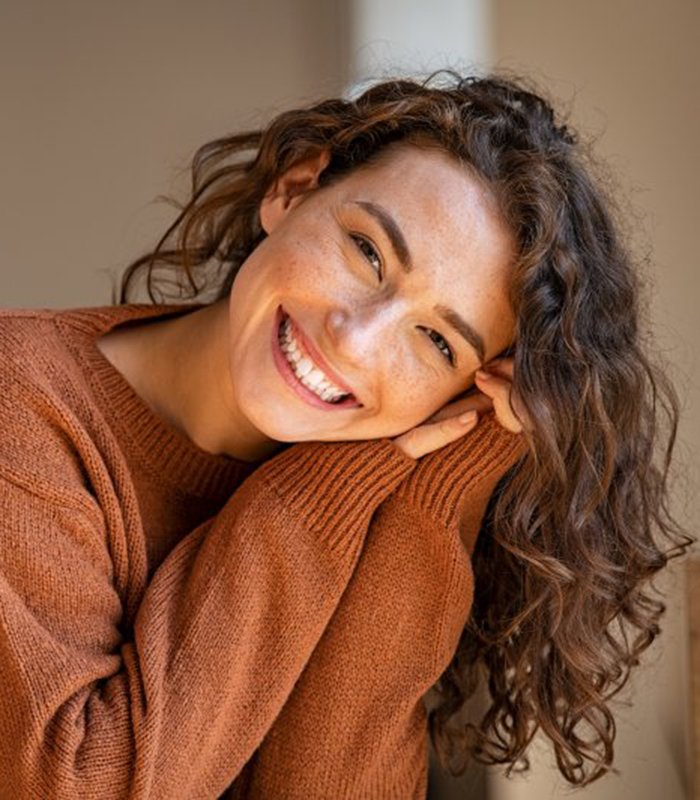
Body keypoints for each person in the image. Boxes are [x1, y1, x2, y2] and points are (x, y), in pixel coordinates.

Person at [0, 71, 691, 799]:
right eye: (367, 252)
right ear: (293, 191)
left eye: (436, 342)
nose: (357, 341)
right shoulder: (22, 401)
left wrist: (441, 480)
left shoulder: (380, 486)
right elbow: (75, 786)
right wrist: (309, 499)